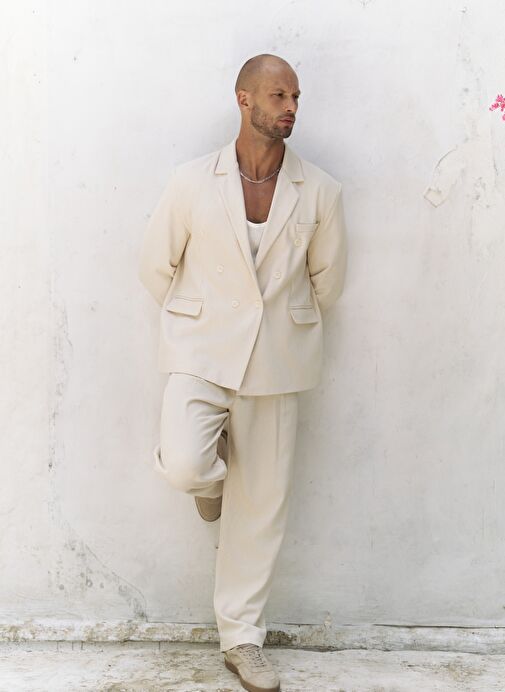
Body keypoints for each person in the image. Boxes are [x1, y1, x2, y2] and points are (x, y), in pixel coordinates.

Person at [138, 53, 348, 692]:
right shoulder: (190, 182)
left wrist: (280, 324)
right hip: (201, 353)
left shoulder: (321, 191)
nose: (291, 108)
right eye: (278, 96)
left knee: (261, 511)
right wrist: (202, 316)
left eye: (296, 97)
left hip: (278, 360)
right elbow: (155, 265)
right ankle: (210, 482)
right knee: (185, 463)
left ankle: (242, 640)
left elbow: (329, 281)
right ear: (244, 99)